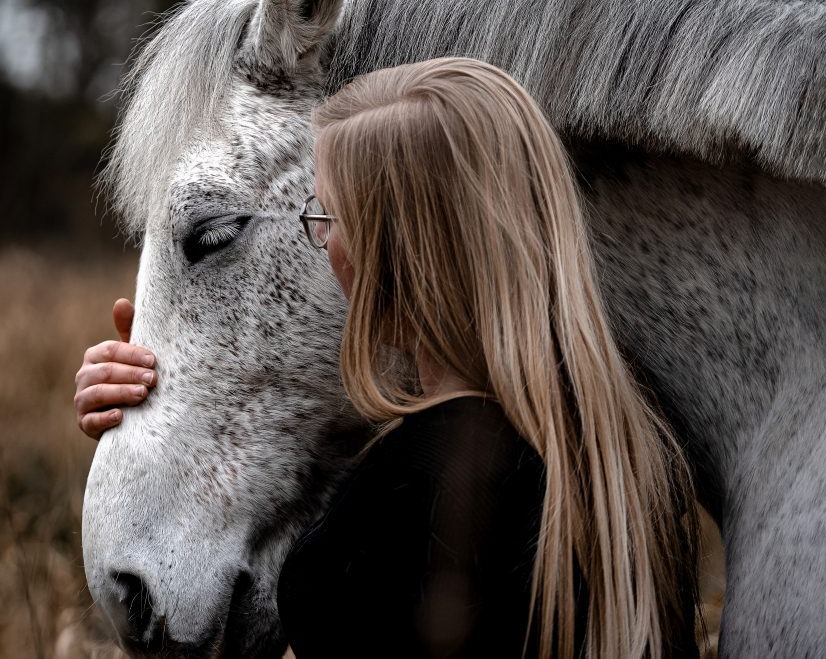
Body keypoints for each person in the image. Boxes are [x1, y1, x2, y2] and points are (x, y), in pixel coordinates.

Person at [74, 57, 701, 658]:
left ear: (396, 252)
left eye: (326, 215)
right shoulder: (632, 462)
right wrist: (164, 409)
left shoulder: (396, 499)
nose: (321, 239)